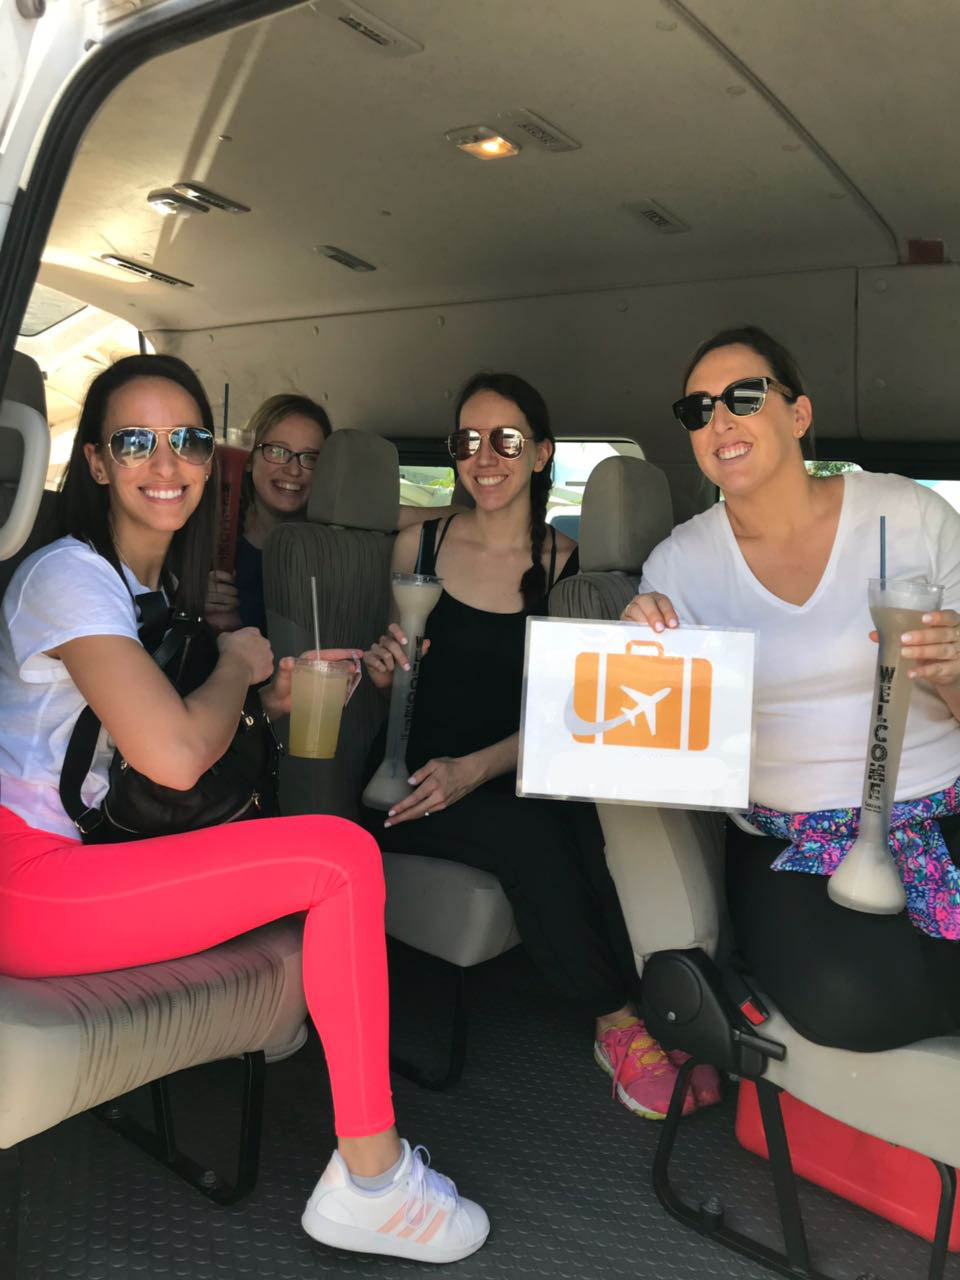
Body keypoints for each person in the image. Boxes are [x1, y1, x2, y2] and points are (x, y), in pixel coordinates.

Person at [0, 355, 488, 1263]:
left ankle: (368, 1171)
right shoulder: (67, 577)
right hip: (23, 882)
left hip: (70, 859)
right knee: (342, 858)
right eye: (134, 441)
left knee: (335, 859)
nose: (166, 462)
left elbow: (164, 731)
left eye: (186, 440)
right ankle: (372, 1178)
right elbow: (178, 756)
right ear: (97, 463)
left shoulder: (146, 588)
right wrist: (236, 665)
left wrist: (264, 695)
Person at [362, 371, 721, 1119]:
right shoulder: (413, 546)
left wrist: (480, 769)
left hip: (500, 770)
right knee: (529, 833)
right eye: (467, 440)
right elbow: (381, 688)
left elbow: (570, 711)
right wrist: (380, 670)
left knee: (592, 825)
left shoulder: (566, 567)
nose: (484, 456)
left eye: (507, 439)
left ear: (541, 453)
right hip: (412, 784)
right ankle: (615, 1023)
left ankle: (663, 1007)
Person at [624, 325, 960, 1052]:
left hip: (942, 809)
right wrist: (637, 654)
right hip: (792, 843)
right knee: (855, 1001)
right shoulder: (679, 568)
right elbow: (653, 742)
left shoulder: (912, 517)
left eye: (744, 397)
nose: (719, 421)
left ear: (798, 415)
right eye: (698, 409)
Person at [206, 394, 460, 634]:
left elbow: (464, 516)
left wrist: (375, 514)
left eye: (310, 458)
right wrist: (202, 607)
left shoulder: (341, 539)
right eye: (277, 451)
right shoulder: (217, 534)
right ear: (250, 458)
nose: (293, 470)